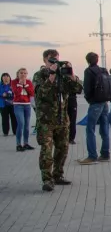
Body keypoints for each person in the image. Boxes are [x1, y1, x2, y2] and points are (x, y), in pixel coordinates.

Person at [32, 49, 83, 191]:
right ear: (44, 61)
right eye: (51, 60)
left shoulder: (63, 75)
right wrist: (51, 77)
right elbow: (41, 93)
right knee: (46, 150)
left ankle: (58, 175)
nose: (54, 63)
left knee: (63, 149)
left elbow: (78, 89)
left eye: (56, 60)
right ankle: (47, 180)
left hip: (62, 119)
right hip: (45, 121)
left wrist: (71, 74)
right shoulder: (39, 75)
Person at [79, 52, 111, 165]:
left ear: (87, 60)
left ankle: (92, 156)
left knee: (90, 129)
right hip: (105, 102)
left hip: (95, 103)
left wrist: (89, 99)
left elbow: (87, 88)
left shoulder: (88, 71)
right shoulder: (104, 70)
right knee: (104, 129)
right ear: (97, 60)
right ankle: (105, 154)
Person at [11, 68, 35, 151]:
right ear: (18, 74)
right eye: (21, 73)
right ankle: (18, 144)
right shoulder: (14, 82)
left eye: (25, 73)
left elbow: (32, 93)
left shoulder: (29, 82)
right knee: (21, 123)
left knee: (27, 126)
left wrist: (25, 85)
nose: (23, 74)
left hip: (27, 105)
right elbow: (16, 93)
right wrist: (21, 85)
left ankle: (26, 143)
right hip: (18, 105)